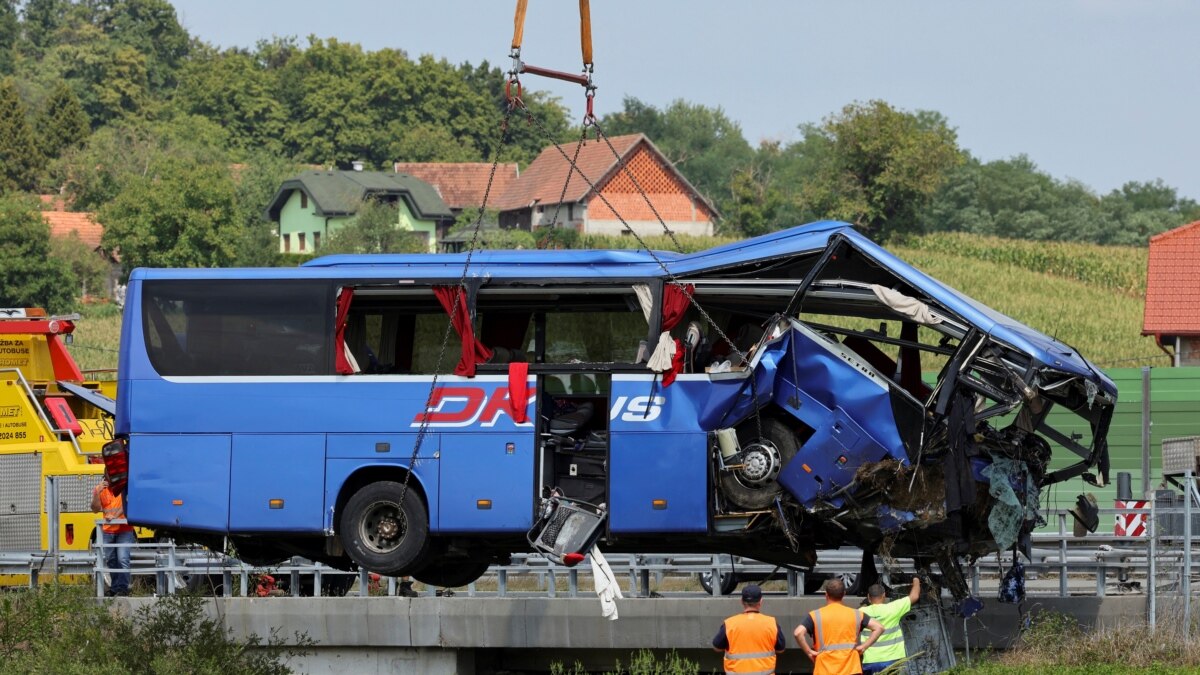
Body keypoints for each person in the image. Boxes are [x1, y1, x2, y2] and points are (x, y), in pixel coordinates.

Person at [794, 578, 884, 675]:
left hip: (825, 669)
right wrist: (864, 647)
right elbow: (879, 628)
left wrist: (809, 652)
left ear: (826, 595)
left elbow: (798, 633)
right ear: (844, 594)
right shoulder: (856, 614)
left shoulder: (815, 615)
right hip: (851, 669)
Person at [712, 584, 786, 674]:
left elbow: (717, 647)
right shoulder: (771, 623)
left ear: (742, 601)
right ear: (761, 601)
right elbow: (781, 649)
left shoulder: (729, 624)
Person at [860, 578, 921, 674]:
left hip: (870, 661)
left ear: (868, 597)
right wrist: (916, 580)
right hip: (893, 660)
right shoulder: (893, 608)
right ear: (884, 595)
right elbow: (914, 596)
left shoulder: (861, 613)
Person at [90, 471, 135, 596]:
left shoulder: (123, 487)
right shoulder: (100, 489)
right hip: (108, 530)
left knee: (123, 559)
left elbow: (127, 503)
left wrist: (113, 516)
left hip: (124, 530)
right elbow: (94, 509)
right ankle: (115, 588)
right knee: (111, 560)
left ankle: (123, 588)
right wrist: (97, 494)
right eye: (110, 475)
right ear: (106, 476)